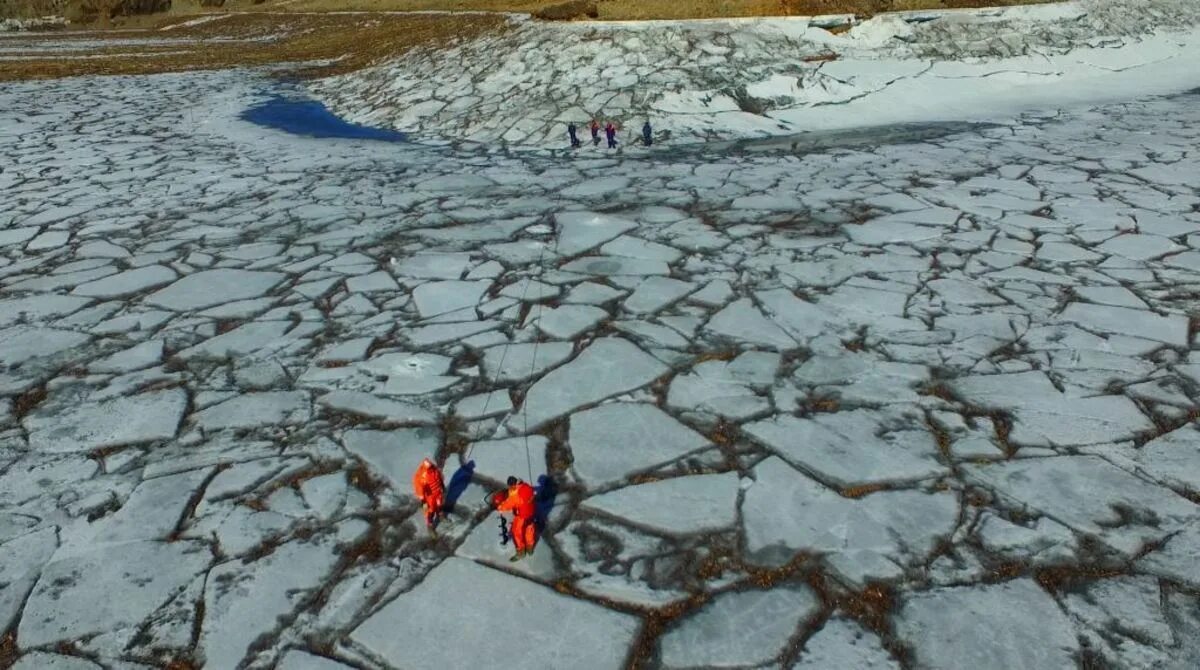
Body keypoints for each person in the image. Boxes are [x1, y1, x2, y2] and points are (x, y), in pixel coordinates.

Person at [493, 476, 537, 561]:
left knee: (516, 532)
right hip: (531, 514)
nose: (510, 488)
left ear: (512, 485)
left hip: (522, 516)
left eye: (510, 486)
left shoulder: (515, 495)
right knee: (529, 530)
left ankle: (521, 552)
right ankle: (530, 548)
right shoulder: (526, 486)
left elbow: (508, 504)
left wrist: (500, 507)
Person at [412, 458, 445, 534]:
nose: (431, 466)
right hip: (429, 497)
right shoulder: (422, 475)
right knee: (429, 510)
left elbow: (439, 477)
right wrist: (423, 500)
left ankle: (440, 516)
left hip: (438, 493)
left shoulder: (434, 469)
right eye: (429, 466)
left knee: (439, 504)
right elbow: (419, 487)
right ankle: (430, 526)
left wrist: (442, 486)